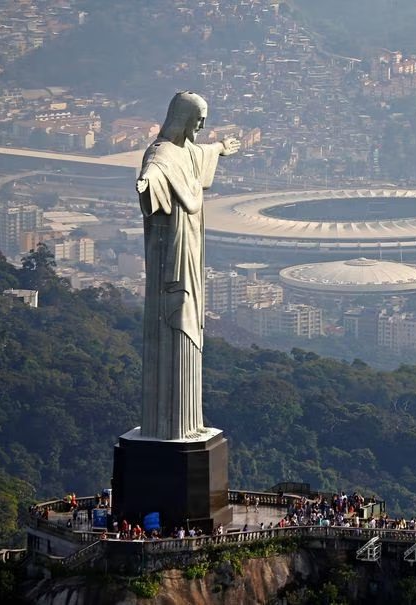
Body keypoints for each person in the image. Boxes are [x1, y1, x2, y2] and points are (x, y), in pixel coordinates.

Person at [136, 91, 239, 441]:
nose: (202, 126)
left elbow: (201, 153)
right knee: (175, 325)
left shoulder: (186, 151)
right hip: (173, 258)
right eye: (198, 119)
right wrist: (146, 183)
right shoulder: (162, 154)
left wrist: (221, 146)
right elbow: (154, 171)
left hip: (192, 250)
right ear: (182, 118)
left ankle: (188, 423)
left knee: (191, 326)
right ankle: (169, 427)